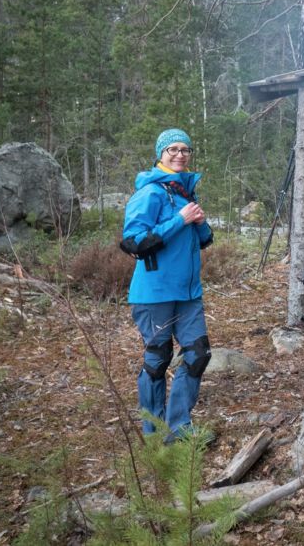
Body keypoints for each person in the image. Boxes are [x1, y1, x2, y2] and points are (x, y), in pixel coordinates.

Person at [120, 128, 214, 442]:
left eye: (185, 149)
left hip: (188, 293)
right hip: (155, 293)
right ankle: (153, 432)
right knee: (158, 360)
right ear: (161, 153)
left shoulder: (185, 192)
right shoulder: (150, 192)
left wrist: (200, 223)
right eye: (172, 149)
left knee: (198, 354)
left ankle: (179, 427)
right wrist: (180, 220)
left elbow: (203, 241)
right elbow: (134, 242)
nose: (180, 154)